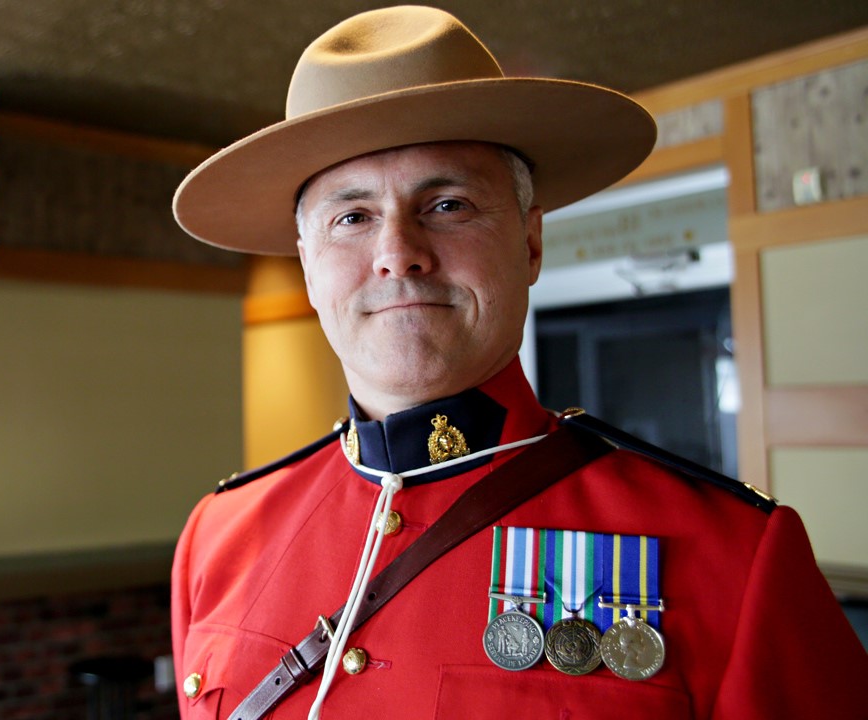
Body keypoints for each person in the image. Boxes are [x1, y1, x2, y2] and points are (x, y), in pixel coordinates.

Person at [169, 6, 868, 720]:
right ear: (310, 270)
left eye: (447, 204)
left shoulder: (734, 557)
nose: (397, 252)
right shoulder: (218, 540)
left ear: (531, 244)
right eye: (351, 218)